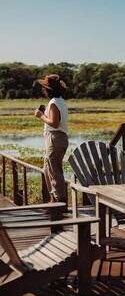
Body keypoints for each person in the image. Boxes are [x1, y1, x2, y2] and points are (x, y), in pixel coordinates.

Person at [34, 74, 68, 202]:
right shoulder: (61, 101)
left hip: (55, 138)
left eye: (44, 87)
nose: (43, 89)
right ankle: (55, 199)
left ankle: (59, 202)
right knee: (49, 168)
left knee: (54, 170)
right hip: (59, 138)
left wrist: (40, 115)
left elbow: (54, 123)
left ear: (48, 90)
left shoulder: (54, 103)